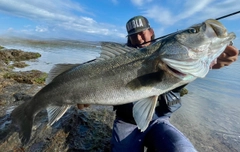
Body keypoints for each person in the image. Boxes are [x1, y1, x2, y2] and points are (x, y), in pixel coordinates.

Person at [78, 15, 239, 152]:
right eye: (134, 35)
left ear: (151, 32)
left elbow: (193, 64)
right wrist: (87, 95)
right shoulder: (117, 61)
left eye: (142, 33)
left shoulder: (172, 58)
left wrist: (215, 60)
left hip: (158, 121)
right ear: (128, 38)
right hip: (126, 122)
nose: (139, 38)